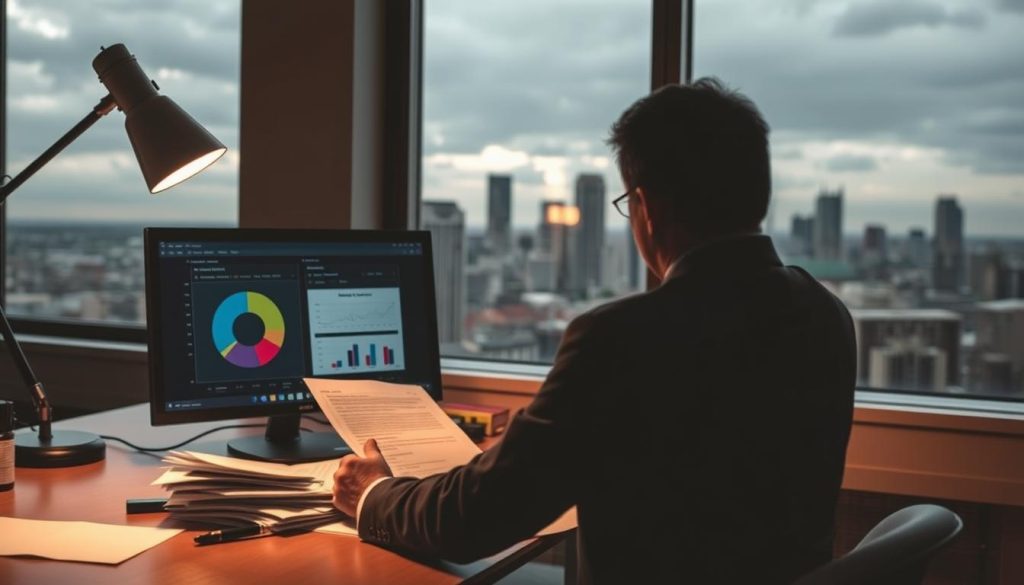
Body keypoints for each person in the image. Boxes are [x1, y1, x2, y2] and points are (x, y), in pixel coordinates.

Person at [332, 78, 856, 584]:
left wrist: (374, 494)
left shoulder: (621, 337)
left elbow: (478, 518)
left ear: (648, 209)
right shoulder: (825, 315)